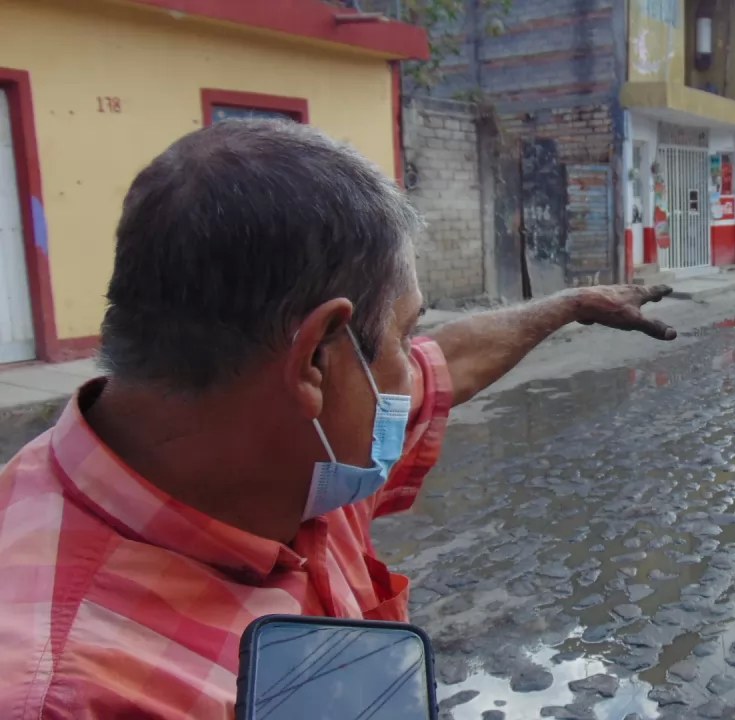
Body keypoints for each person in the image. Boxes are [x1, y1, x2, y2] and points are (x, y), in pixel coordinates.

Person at [0, 120, 676, 719]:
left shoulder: (280, 456)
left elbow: (450, 364)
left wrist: (565, 306)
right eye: (404, 338)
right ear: (316, 362)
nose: (415, 371)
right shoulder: (64, 692)